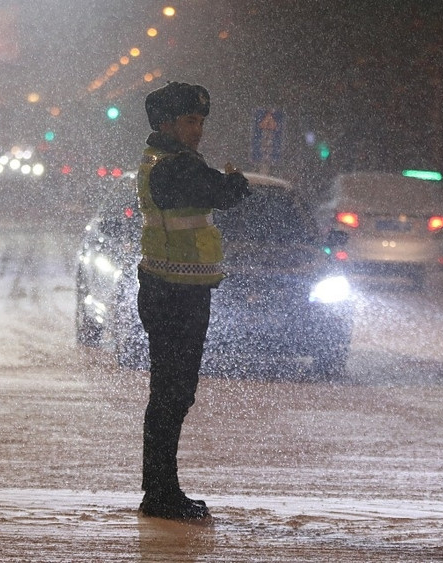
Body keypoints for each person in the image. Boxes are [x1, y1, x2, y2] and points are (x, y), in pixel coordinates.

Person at [136, 81, 251, 521]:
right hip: (172, 294)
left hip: (176, 290)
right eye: (190, 120)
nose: (198, 129)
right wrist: (236, 181)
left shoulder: (174, 162)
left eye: (201, 121)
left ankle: (163, 489)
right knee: (170, 396)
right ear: (166, 123)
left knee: (173, 395)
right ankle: (161, 493)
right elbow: (223, 193)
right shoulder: (173, 167)